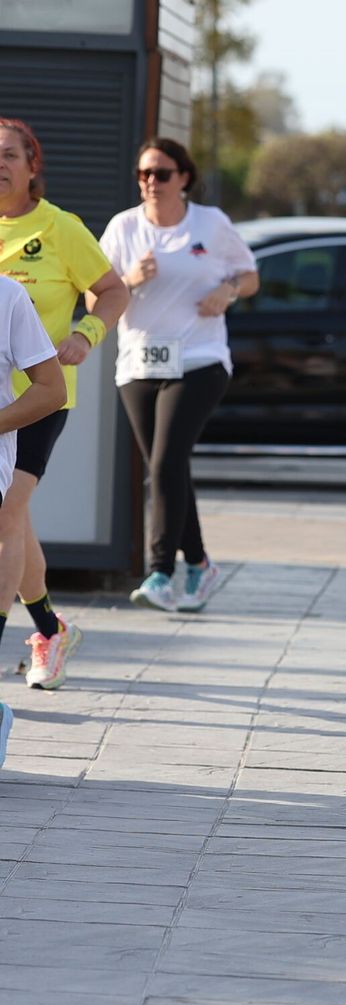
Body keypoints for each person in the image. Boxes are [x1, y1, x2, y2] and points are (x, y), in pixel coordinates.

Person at [100, 137, 258, 615]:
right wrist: (128, 280)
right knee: (166, 468)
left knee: (166, 461)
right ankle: (201, 562)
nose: (151, 182)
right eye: (144, 174)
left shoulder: (210, 223)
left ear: (183, 178)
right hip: (139, 363)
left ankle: (161, 571)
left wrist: (227, 291)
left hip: (200, 359)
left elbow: (250, 275)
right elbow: (94, 297)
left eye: (161, 174)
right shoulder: (123, 228)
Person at [0, 117, 128, 690]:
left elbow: (114, 291)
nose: (0, 164)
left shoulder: (61, 228)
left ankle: (35, 636)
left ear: (33, 166)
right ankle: (50, 628)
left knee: (7, 512)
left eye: (9, 155)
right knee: (15, 517)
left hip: (41, 399)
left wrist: (86, 335)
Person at [0, 276, 68, 763]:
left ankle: (47, 628)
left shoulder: (7, 296)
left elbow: (51, 389)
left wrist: (87, 333)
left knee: (12, 520)